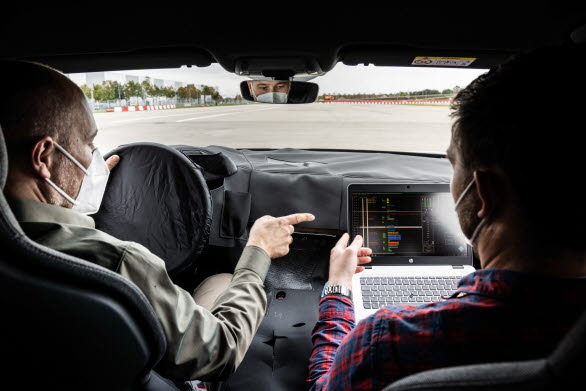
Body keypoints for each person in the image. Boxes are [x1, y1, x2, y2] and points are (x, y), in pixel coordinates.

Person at [0, 60, 315, 383]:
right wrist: (257, 253)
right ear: (43, 158)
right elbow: (220, 350)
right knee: (223, 280)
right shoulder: (117, 262)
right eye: (89, 143)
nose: (93, 157)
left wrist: (73, 202)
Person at [307, 45, 586, 390]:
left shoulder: (385, 343)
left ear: (486, 192)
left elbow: (323, 385)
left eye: (453, 164)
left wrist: (338, 287)